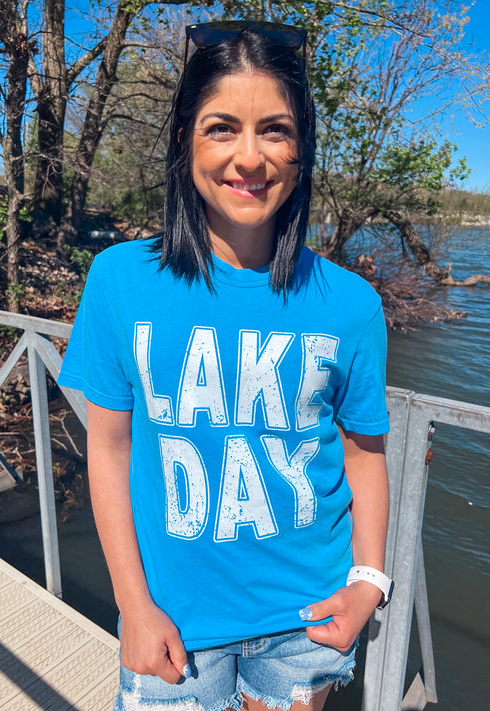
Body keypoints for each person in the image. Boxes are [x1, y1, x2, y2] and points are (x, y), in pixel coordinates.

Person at [59, 20, 392, 711]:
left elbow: (364, 454)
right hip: (171, 623)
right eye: (221, 128)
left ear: (300, 146)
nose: (249, 157)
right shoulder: (121, 280)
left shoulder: (350, 304)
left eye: (274, 129)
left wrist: (368, 582)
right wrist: (132, 604)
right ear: (184, 139)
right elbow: (108, 446)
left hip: (305, 623)